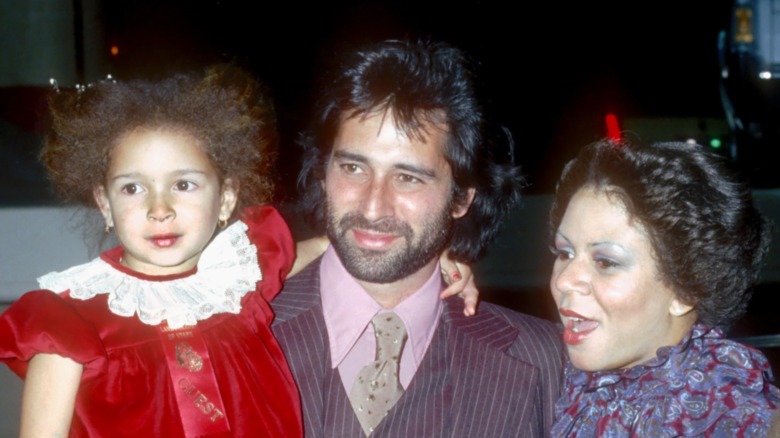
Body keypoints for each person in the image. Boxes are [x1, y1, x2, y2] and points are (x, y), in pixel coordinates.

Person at [271, 39, 565, 437]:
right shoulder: (230, 329)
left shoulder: (544, 360)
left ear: (461, 198)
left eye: (408, 178)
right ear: (323, 174)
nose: (373, 207)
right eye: (354, 169)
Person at [0, 65, 302, 436]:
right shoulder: (68, 321)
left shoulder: (239, 277)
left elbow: (305, 254)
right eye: (133, 189)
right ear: (105, 203)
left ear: (225, 199)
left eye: (184, 184)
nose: (160, 209)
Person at [548, 139, 780, 436]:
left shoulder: (731, 415)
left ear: (686, 290)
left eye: (605, 262)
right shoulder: (554, 368)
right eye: (565, 253)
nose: (564, 280)